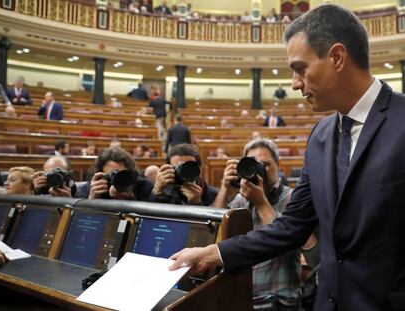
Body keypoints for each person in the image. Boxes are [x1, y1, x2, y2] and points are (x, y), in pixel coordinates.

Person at [169, 5, 405, 310]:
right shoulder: (320, 136)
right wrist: (213, 254)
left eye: (300, 68)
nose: (294, 84)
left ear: (336, 57)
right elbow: (292, 225)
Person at [212, 138, 317, 310]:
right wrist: (224, 189)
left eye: (266, 164)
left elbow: (294, 241)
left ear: (278, 164)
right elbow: (214, 233)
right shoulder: (241, 200)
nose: (260, 170)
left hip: (280, 300)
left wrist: (261, 203)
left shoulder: (293, 199)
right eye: (253, 165)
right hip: (245, 298)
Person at [151, 144, 218, 206]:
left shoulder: (213, 195)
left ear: (199, 169)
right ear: (169, 168)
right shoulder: (163, 191)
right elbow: (150, 217)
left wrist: (197, 203)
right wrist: (157, 192)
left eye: (188, 167)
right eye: (178, 168)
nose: (183, 172)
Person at [76, 148, 153, 201]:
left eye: (121, 175)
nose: (116, 180)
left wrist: (130, 199)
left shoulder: (144, 187)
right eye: (111, 176)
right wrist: (92, 201)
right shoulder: (93, 187)